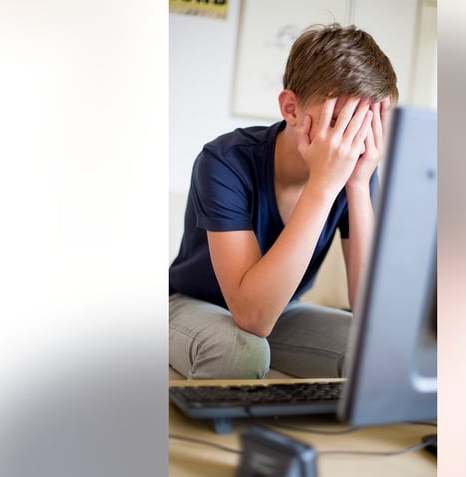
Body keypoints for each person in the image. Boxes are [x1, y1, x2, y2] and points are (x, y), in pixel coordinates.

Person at [169, 23, 398, 379]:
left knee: (377, 351)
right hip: (194, 303)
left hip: (283, 308)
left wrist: (357, 183)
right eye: (342, 124)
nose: (355, 144)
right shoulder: (224, 160)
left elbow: (373, 316)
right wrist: (323, 184)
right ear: (291, 109)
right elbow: (252, 317)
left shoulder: (358, 170)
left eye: (368, 127)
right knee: (239, 352)